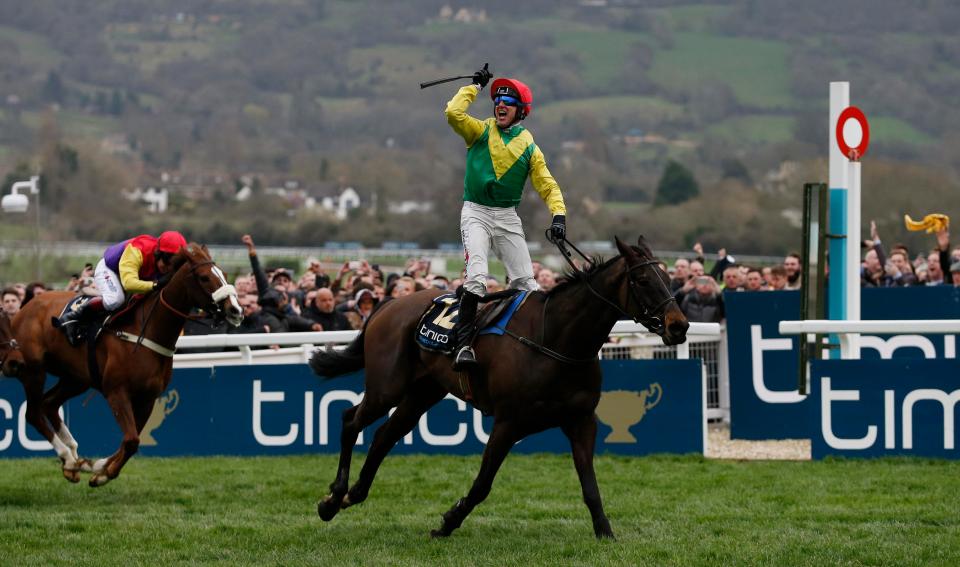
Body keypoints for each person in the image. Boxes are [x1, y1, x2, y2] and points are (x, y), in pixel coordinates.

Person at [444, 64, 567, 370]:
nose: (500, 104)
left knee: (528, 283)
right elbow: (453, 114)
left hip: (507, 218)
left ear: (521, 111)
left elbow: (547, 184)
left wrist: (559, 216)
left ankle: (540, 345)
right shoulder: (480, 130)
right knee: (477, 276)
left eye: (509, 102)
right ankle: (464, 347)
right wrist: (474, 87)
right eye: (498, 100)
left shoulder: (529, 146)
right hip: (476, 213)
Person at [53, 231, 187, 344]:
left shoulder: (166, 262)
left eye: (172, 266)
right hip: (110, 270)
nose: (168, 269)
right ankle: (73, 316)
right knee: (115, 299)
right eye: (167, 263)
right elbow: (129, 283)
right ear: (159, 254)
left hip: (135, 276)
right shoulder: (138, 251)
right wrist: (155, 285)